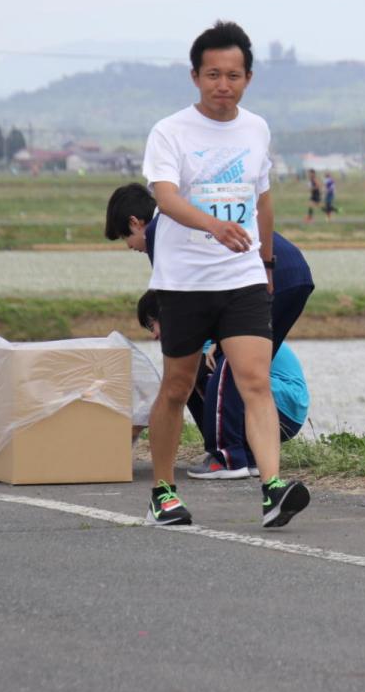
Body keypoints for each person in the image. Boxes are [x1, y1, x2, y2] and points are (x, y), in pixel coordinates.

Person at [136, 20, 309, 528]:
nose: (223, 84)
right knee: (176, 385)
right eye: (213, 74)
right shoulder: (170, 131)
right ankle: (162, 493)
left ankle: (272, 489)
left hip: (243, 278)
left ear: (248, 78)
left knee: (254, 380)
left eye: (233, 75)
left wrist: (268, 261)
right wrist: (212, 226)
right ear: (195, 76)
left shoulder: (256, 128)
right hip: (185, 280)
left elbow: (263, 198)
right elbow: (164, 198)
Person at [105, 182, 314, 474]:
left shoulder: (159, 231)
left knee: (230, 366)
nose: (131, 248)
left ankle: (229, 458)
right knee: (233, 368)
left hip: (269, 280)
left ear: (135, 223)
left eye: (125, 239)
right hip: (292, 274)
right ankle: (246, 454)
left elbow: (180, 296)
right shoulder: (183, 215)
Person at [135, 293, 309, 480]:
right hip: (281, 411)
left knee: (192, 373)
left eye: (153, 324)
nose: (154, 335)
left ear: (169, 314)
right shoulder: (210, 330)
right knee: (186, 379)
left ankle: (228, 458)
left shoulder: (212, 332)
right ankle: (250, 457)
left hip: (281, 408)